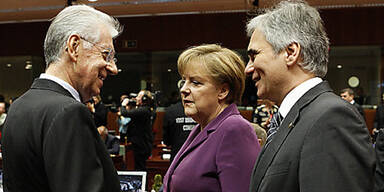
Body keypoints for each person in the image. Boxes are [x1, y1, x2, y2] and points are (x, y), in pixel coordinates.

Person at [245, 1, 375, 192]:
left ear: (290, 52)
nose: (248, 68)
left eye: (253, 56)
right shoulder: (291, 118)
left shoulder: (331, 118)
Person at [1, 5, 122, 192]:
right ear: (74, 47)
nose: (113, 68)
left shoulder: (19, 106)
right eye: (107, 55)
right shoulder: (69, 112)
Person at [163, 44, 261, 192]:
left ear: (223, 91)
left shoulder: (234, 129)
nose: (183, 89)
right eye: (184, 81)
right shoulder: (201, 128)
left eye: (195, 82)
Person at [120, 90, 154, 171]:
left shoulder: (144, 110)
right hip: (139, 142)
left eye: (138, 96)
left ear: (144, 99)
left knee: (141, 167)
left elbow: (125, 113)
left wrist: (123, 105)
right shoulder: (143, 109)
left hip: (142, 144)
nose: (136, 98)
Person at [162, 98, 196, 163]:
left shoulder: (171, 111)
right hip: (198, 157)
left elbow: (166, 141)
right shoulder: (203, 109)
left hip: (177, 157)